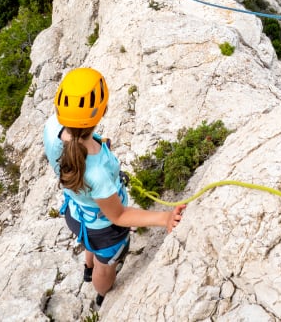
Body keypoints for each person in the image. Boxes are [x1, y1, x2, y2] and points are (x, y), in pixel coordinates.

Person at [43, 68, 186, 308]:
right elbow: (118, 215)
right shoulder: (97, 172)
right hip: (104, 230)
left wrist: (99, 143)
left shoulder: (51, 129)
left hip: (74, 214)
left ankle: (88, 268)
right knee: (105, 266)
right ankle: (101, 293)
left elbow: (74, 144)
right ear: (103, 111)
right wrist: (165, 218)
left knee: (89, 243)